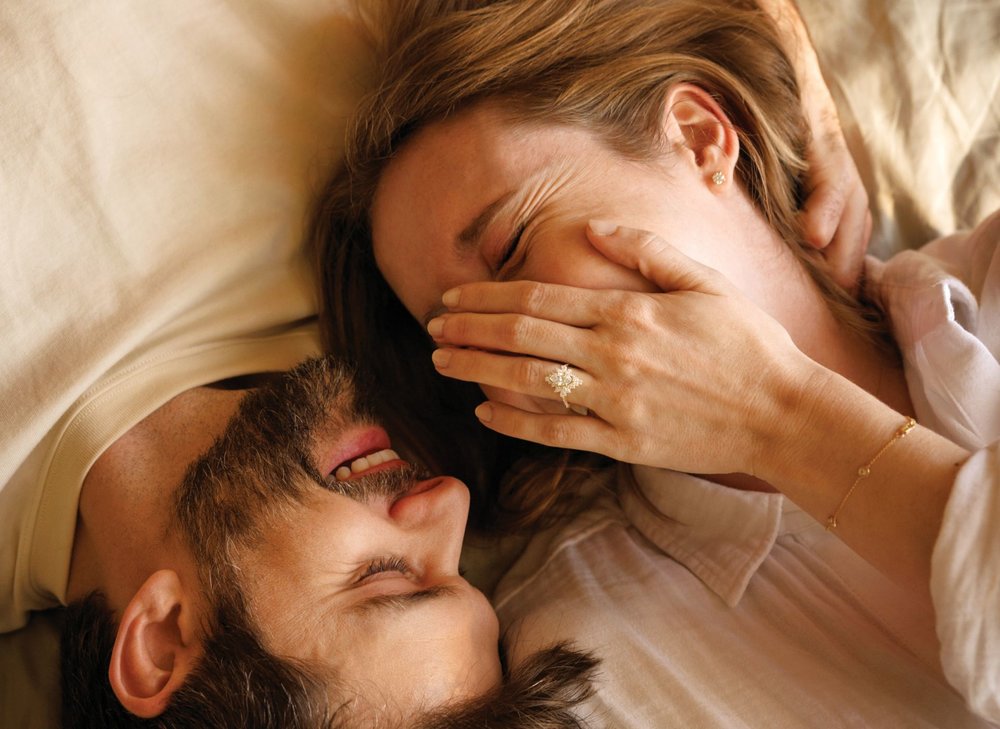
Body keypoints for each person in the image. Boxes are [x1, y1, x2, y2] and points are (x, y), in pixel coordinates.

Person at [310, 0, 1000, 725]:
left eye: (512, 245)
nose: (510, 334)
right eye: (454, 330)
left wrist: (781, 418)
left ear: (702, 139)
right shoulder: (590, 656)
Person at [56, 355, 598, 727]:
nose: (451, 499)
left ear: (165, 639)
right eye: (466, 573)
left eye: (383, 573)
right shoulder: (411, 319)